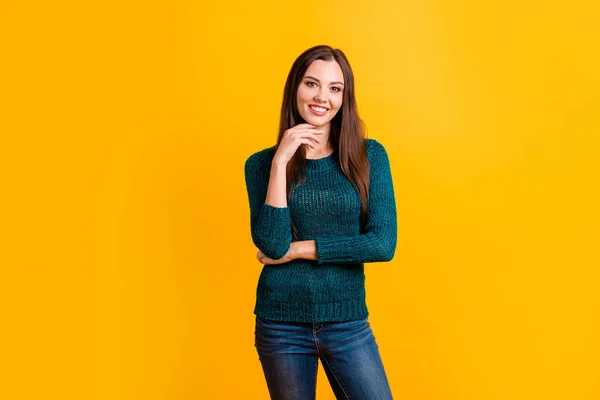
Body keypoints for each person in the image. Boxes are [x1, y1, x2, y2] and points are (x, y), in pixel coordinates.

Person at [244, 45, 397, 400]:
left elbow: (382, 243)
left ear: (345, 97)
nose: (321, 97)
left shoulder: (369, 155)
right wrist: (281, 161)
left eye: (334, 88)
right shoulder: (260, 165)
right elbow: (272, 244)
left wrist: (300, 249)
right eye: (312, 84)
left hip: (347, 322)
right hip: (280, 324)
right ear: (295, 88)